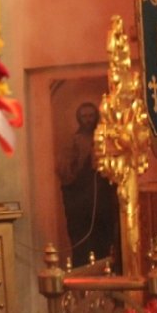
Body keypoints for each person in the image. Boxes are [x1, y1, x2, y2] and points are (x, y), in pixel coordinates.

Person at [56, 102, 119, 267]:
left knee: (104, 239)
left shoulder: (106, 138)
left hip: (102, 199)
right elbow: (64, 169)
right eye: (84, 116)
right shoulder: (74, 141)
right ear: (79, 119)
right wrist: (83, 162)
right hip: (81, 201)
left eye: (91, 116)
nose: (88, 120)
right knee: (83, 242)